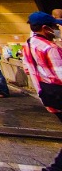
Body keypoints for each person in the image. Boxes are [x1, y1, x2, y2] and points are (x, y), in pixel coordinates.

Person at [22, 11, 62, 171]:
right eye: (55, 26)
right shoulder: (50, 48)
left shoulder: (29, 44)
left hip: (46, 93)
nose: (56, 29)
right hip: (58, 91)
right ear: (46, 28)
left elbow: (28, 69)